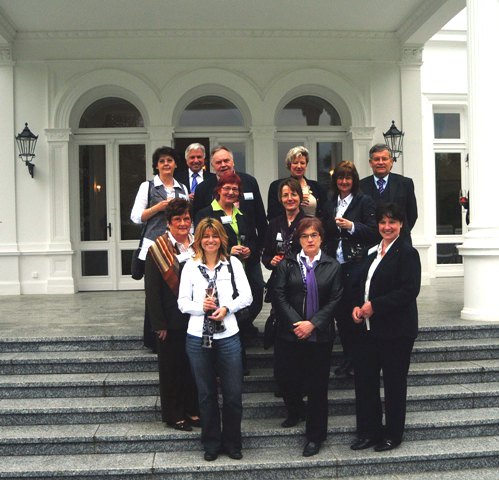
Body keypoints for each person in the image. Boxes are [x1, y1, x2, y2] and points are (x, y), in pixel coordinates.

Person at [178, 218, 252, 462]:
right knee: (206, 394)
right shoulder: (190, 266)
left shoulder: (232, 264)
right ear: (199, 240)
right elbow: (182, 303)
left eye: (215, 236)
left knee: (233, 394)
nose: (210, 240)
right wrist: (201, 306)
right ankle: (211, 442)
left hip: (228, 336)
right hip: (198, 338)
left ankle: (232, 442)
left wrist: (227, 308)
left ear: (222, 239)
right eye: (206, 236)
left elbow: (247, 296)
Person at [350, 202, 421, 452]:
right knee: (366, 382)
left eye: (392, 222)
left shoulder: (408, 253)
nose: (387, 226)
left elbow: (409, 291)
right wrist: (358, 307)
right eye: (383, 222)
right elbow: (362, 285)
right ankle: (369, 432)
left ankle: (392, 435)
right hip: (369, 329)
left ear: (401, 224)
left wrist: (375, 306)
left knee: (393, 384)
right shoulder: (372, 252)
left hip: (397, 331)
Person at [272, 217, 343, 457]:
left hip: (319, 336)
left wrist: (312, 324)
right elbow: (278, 295)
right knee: (286, 379)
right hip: (289, 334)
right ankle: (295, 411)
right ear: (298, 240)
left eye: (314, 235)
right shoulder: (287, 264)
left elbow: (335, 299)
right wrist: (297, 324)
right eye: (304, 236)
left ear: (321, 238)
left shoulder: (332, 266)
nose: (309, 240)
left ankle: (315, 436)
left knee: (317, 387)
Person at [193, 145, 267, 335]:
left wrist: (257, 249)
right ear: (212, 166)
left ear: (233, 162)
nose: (223, 165)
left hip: (249, 253)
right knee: (229, 292)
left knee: (257, 290)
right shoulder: (204, 189)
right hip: (219, 257)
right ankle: (237, 327)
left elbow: (259, 216)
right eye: (218, 162)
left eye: (226, 161)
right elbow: (201, 223)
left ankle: (244, 322)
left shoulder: (249, 182)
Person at [194, 172, 258, 374]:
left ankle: (239, 362)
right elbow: (201, 242)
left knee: (244, 309)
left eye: (235, 189)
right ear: (218, 190)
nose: (231, 192)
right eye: (227, 188)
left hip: (241, 271)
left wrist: (249, 249)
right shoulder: (206, 214)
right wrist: (227, 251)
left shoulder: (243, 215)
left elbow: (253, 239)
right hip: (216, 273)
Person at [144, 198, 199, 431]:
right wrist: (159, 324)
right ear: (169, 222)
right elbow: (152, 291)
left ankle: (193, 410)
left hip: (195, 318)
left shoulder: (199, 245)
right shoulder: (156, 249)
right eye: (177, 219)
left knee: (193, 368)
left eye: (186, 219)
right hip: (170, 320)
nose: (183, 223)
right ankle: (174, 414)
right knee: (171, 370)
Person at [322, 161, 378, 378]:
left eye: (348, 178)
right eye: (340, 178)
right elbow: (324, 227)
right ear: (335, 181)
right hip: (334, 264)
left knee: (354, 313)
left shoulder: (364, 201)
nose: (344, 182)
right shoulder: (330, 202)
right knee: (340, 315)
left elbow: (374, 232)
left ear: (354, 181)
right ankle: (347, 357)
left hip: (355, 264)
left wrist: (351, 226)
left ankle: (357, 359)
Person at [131, 146, 189, 351]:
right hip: (153, 247)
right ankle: (153, 337)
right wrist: (159, 207)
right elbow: (136, 217)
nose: (166, 164)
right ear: (156, 165)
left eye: (170, 160)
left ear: (175, 164)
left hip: (177, 247)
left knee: (173, 289)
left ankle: (175, 333)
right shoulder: (147, 187)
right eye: (162, 161)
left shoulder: (182, 187)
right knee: (154, 291)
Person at [359, 144, 418, 242]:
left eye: (384, 159)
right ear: (370, 163)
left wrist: (397, 232)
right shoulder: (360, 186)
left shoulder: (405, 184)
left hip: (400, 242)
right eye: (377, 159)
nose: (380, 162)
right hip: (370, 243)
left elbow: (412, 214)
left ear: (391, 162)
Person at [267, 146, 326, 220]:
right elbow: (272, 214)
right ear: (289, 165)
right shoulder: (276, 186)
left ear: (306, 165)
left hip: (312, 229)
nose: (299, 166)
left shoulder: (317, 187)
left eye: (302, 163)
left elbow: (325, 214)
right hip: (287, 229)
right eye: (295, 163)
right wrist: (296, 202)